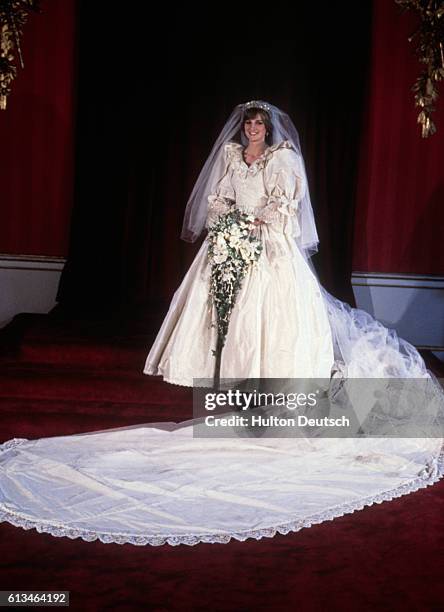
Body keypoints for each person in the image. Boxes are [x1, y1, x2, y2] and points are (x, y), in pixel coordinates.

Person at [0, 101, 442, 547]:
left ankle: (278, 402)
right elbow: (216, 200)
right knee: (229, 326)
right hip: (232, 245)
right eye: (249, 123)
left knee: (273, 325)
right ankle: (241, 401)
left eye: (258, 124)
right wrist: (227, 222)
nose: (253, 129)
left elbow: (285, 206)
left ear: (268, 129)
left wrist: (253, 224)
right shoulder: (232, 157)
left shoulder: (283, 158)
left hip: (270, 253)